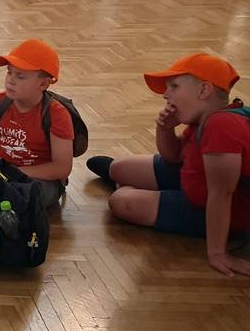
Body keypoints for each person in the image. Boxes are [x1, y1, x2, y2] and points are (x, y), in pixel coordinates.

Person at [86, 54, 250, 278]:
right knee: (119, 167)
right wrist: (165, 129)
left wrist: (217, 253)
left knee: (121, 201)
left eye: (174, 86)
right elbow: (174, 156)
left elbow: (222, 194)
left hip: (214, 211)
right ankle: (126, 183)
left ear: (204, 90)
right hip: (194, 181)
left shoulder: (221, 125)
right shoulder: (208, 118)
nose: (165, 94)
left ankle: (128, 188)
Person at [0, 39, 74, 208]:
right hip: (4, 171)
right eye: (9, 72)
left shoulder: (57, 114)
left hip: (41, 180)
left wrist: (14, 172)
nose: (10, 80)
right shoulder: (0, 102)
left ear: (43, 84)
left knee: (22, 196)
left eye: (20, 76)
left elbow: (61, 168)